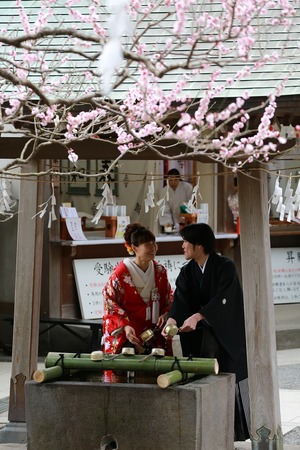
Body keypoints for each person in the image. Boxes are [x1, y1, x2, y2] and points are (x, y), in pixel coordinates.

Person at [162, 222, 250, 441]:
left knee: (230, 374)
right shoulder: (187, 271)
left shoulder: (225, 266)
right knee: (203, 376)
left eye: (185, 242)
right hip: (201, 337)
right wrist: (172, 318)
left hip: (226, 334)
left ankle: (234, 433)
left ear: (199, 246)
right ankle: (209, 429)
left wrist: (200, 315)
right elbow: (181, 300)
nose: (182, 246)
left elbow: (225, 300)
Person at [102, 223, 173, 355]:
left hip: (154, 332)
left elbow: (169, 299)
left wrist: (165, 314)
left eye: (154, 243)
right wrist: (125, 326)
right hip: (129, 331)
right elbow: (110, 302)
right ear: (134, 248)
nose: (153, 248)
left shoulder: (160, 271)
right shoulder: (120, 273)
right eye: (147, 244)